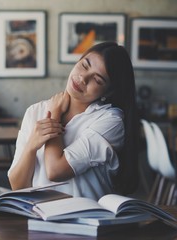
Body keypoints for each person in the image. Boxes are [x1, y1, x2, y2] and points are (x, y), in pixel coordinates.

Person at [8, 42, 139, 201]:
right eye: (84, 65)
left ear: (108, 91)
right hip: (39, 218)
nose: (83, 78)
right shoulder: (34, 111)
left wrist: (54, 114)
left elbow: (56, 171)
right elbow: (17, 187)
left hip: (87, 221)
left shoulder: (110, 121)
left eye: (97, 80)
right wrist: (31, 147)